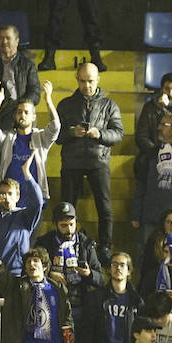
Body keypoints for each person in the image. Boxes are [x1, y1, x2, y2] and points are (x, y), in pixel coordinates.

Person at [56, 64, 122, 256]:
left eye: (90, 81)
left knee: (105, 208)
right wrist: (71, 132)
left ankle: (105, 247)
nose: (87, 85)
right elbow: (56, 136)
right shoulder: (65, 104)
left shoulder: (110, 105)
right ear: (77, 80)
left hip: (98, 162)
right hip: (71, 163)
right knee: (66, 208)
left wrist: (99, 134)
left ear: (98, 79)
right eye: (83, 81)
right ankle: (65, 244)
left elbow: (118, 134)